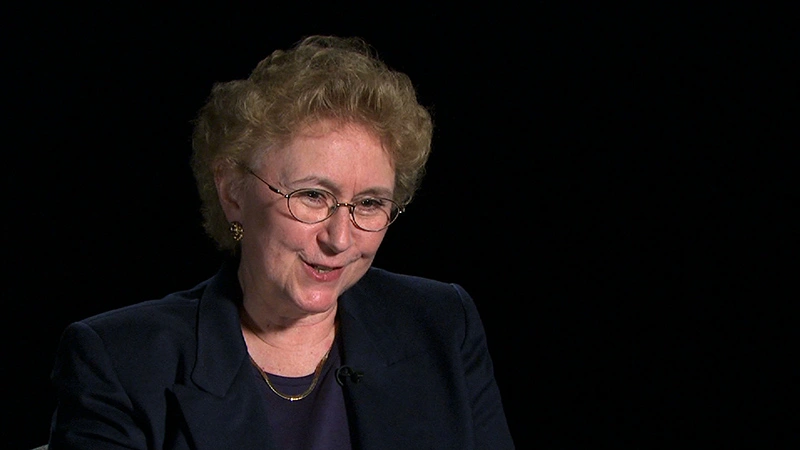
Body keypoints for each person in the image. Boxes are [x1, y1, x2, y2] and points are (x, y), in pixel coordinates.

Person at [47, 35, 515, 449]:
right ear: (232, 193)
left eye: (370, 203)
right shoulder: (120, 360)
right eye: (313, 196)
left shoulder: (442, 325)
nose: (340, 238)